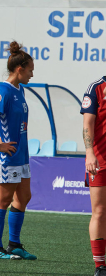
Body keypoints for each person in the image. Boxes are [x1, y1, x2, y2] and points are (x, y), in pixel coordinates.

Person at [0, 41, 36, 260]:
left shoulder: (19, 90)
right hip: (7, 157)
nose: (32, 74)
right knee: (3, 200)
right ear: (20, 69)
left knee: (24, 197)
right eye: (30, 70)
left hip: (21, 156)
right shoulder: (3, 91)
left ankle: (14, 245)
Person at [81, 76, 106, 275]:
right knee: (99, 211)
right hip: (100, 161)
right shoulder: (96, 88)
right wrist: (89, 152)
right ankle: (100, 266)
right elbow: (87, 124)